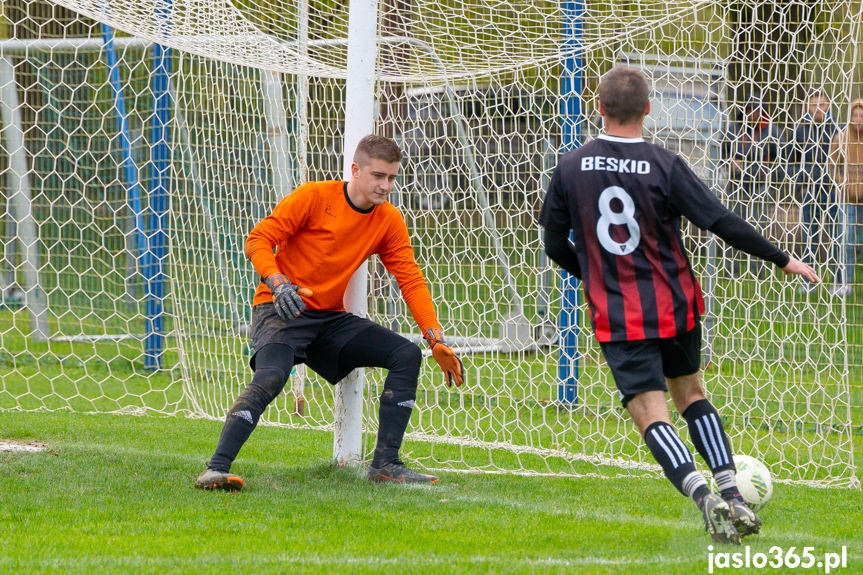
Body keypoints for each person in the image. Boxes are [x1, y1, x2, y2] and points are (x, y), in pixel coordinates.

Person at [539, 66, 819, 544]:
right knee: (691, 394)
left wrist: (593, 275)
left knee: (652, 412)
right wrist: (781, 257)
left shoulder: (570, 166)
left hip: (619, 313)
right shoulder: (665, 164)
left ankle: (701, 495)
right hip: (675, 304)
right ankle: (731, 492)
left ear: (599, 107)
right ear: (648, 109)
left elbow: (552, 242)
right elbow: (720, 221)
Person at [195, 134, 465, 491]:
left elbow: (411, 280)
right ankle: (215, 469)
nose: (385, 186)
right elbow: (258, 239)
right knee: (271, 377)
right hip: (280, 309)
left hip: (328, 320)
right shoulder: (314, 196)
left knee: (406, 353)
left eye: (392, 178)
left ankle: (385, 465)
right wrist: (278, 284)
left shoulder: (388, 220)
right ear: (355, 170)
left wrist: (435, 339)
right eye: (378, 176)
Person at [723, 92, 784, 277]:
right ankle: (730, 270)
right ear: (745, 111)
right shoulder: (733, 129)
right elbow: (721, 154)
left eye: (758, 110)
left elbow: (782, 159)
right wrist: (730, 164)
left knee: (760, 230)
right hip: (736, 186)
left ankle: (759, 272)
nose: (754, 114)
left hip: (760, 188)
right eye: (751, 110)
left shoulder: (772, 131)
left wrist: (769, 171)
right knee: (730, 228)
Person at [789, 88, 839, 293]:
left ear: (827, 106)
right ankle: (808, 280)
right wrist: (801, 183)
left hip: (834, 190)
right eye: (813, 105)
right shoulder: (801, 130)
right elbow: (792, 159)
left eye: (822, 104)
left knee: (837, 234)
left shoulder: (838, 128)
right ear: (807, 107)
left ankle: (839, 281)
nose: (818, 109)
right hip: (810, 190)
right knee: (810, 234)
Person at [828, 98, 863, 296]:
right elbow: (831, 165)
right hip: (846, 197)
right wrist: (844, 183)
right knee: (845, 239)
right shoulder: (840, 137)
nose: (859, 120)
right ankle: (843, 281)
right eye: (855, 116)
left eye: (862, 116)